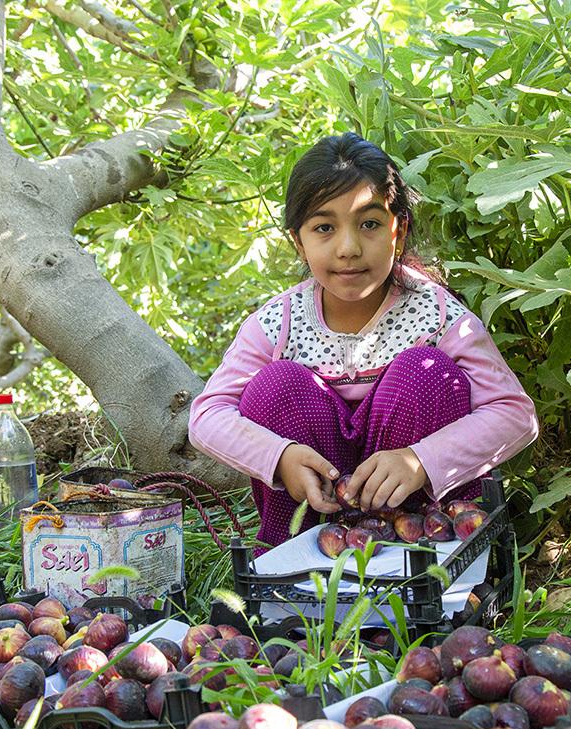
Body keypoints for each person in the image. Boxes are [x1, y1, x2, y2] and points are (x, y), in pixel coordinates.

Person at [188, 132, 538, 549]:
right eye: (324, 228)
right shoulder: (278, 323)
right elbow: (207, 415)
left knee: (424, 373)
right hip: (316, 520)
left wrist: (420, 460)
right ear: (298, 242)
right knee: (275, 386)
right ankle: (288, 566)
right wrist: (279, 457)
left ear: (400, 230)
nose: (349, 248)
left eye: (370, 224)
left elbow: (515, 413)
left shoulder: (437, 315)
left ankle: (437, 568)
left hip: (418, 529)